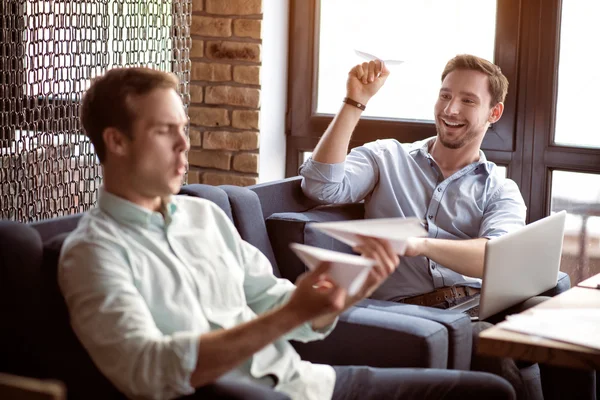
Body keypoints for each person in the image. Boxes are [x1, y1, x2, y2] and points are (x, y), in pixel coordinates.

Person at [57, 66, 516, 400]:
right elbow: (148, 371)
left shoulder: (205, 218)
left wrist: (342, 293)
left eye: (184, 129)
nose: (184, 144)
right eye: (164, 131)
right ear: (116, 141)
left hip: (309, 382)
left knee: (490, 392)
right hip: (246, 393)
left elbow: (278, 302)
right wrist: (292, 311)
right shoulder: (93, 252)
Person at [299, 55, 596, 400]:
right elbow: (320, 187)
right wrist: (355, 102)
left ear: (493, 113)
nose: (451, 109)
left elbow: (495, 256)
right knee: (489, 343)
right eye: (445, 96)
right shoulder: (386, 157)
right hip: (413, 312)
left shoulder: (500, 190)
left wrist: (420, 244)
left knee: (559, 325)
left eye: (468, 100)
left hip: (476, 304)